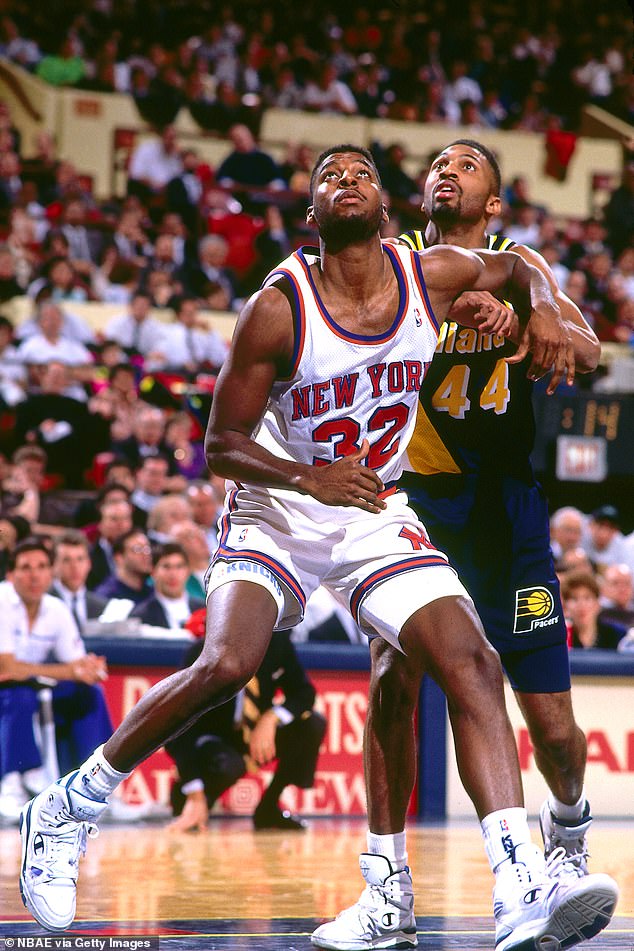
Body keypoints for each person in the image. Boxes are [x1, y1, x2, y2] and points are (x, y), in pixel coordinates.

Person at [19, 146, 617, 948]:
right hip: (277, 503)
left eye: (362, 173)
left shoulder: (429, 273)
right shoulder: (277, 305)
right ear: (311, 215)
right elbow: (221, 444)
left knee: (470, 658)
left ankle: (519, 885)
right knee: (229, 662)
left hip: (371, 505)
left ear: (381, 202)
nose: (347, 181)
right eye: (329, 176)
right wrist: (308, 477)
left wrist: (535, 305)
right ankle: (65, 808)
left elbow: (518, 270)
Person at [377, 140, 608, 895]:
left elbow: (591, 351)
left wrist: (525, 321)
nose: (447, 170)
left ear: (495, 202)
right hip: (416, 504)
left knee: (553, 727)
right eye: (436, 164)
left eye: (468, 166)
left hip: (509, 514)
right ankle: (387, 878)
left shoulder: (523, 269)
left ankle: (568, 825)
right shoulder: (395, 262)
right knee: (393, 679)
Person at [166, 629, 326, 832]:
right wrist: (194, 792)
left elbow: (304, 693)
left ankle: (269, 808)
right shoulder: (203, 651)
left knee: (312, 725)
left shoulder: (276, 641)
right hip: (214, 739)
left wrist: (271, 718)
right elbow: (177, 727)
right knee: (227, 764)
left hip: (256, 733)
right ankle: (192, 803)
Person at [0, 539, 111, 821]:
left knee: (89, 693)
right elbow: (8, 667)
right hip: (8, 690)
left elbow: (77, 665)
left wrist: (86, 670)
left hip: (33, 686)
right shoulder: (2, 600)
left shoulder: (56, 608)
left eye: (41, 567)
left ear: (51, 573)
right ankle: (12, 783)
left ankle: (98, 785)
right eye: (25, 568)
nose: (34, 575)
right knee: (19, 696)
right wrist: (70, 671)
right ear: (11, 575)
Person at [130, 542, 204, 630]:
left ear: (188, 571)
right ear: (153, 572)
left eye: (179, 566)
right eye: (166, 567)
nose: (173, 574)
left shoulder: (204, 609)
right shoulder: (140, 616)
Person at [50, 531, 108, 633]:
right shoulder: (44, 602)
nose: (74, 567)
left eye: (80, 559)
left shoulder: (102, 606)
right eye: (66, 560)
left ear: (89, 563)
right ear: (54, 565)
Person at [562, 570, 626, 649]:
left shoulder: (616, 634)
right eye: (574, 599)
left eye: (587, 598)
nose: (581, 605)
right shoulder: (562, 636)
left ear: (597, 604)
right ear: (566, 605)